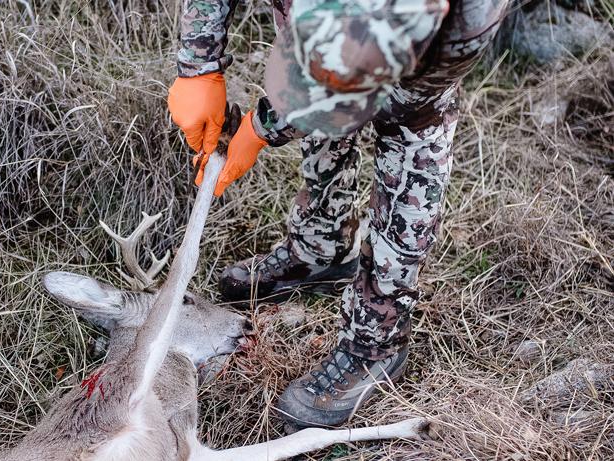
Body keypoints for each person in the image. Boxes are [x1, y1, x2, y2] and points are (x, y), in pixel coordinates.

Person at [167, 0, 509, 429]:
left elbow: (352, 93)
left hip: (422, 65)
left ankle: (377, 338)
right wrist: (199, 65)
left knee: (409, 137)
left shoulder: (462, 26)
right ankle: (320, 247)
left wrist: (260, 128)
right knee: (322, 78)